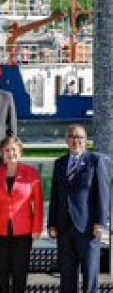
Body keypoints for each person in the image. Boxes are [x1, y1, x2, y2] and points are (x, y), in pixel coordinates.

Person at [47, 125, 111, 293]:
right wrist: (51, 223)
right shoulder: (59, 163)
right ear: (67, 140)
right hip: (64, 229)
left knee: (90, 279)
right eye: (72, 137)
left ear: (86, 141)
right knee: (67, 278)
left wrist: (100, 222)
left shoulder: (95, 162)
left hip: (88, 229)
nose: (76, 140)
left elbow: (103, 194)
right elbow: (55, 195)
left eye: (80, 137)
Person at [0, 136, 44, 293]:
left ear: (20, 152)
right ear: (2, 153)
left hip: (23, 231)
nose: (11, 153)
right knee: (1, 274)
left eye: (14, 150)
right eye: (7, 150)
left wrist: (37, 228)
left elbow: (38, 203)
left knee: (20, 274)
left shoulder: (32, 173)